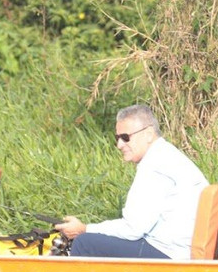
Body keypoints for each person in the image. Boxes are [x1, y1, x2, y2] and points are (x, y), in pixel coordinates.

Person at [56, 104, 208, 260]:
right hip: (180, 248)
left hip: (172, 253)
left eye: (125, 137)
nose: (119, 145)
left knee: (84, 243)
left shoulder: (155, 166)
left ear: (148, 134)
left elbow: (132, 230)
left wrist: (85, 229)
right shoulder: (169, 155)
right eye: (117, 138)